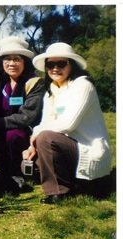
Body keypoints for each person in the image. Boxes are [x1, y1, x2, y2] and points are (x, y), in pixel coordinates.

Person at [22, 42, 112, 204]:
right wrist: (32, 145)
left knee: (45, 138)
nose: (55, 68)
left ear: (72, 65)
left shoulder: (83, 85)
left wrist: (36, 135)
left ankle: (60, 192)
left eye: (61, 63)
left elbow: (67, 124)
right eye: (50, 64)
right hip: (70, 147)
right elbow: (46, 121)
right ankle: (71, 184)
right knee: (31, 161)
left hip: (89, 150)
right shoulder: (52, 91)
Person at [0, 36, 45, 192]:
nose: (12, 63)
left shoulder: (34, 82)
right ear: (2, 61)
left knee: (13, 135)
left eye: (17, 59)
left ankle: (16, 173)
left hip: (22, 130)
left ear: (25, 61)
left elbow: (27, 117)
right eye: (8, 59)